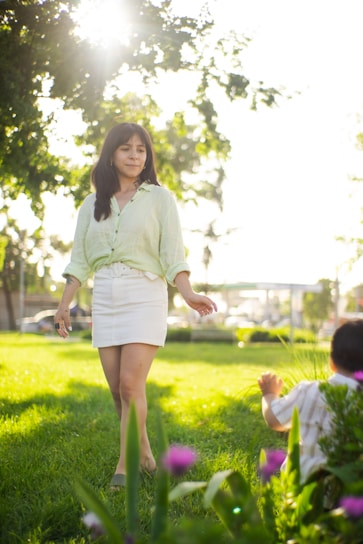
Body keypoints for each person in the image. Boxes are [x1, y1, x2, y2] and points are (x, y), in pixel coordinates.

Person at [53, 122, 217, 488]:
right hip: (106, 295)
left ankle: (124, 468)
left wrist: (188, 292)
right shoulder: (91, 204)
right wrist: (64, 304)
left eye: (140, 149)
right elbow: (79, 260)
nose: (134, 155)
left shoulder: (160, 199)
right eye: (126, 148)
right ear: (111, 154)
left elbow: (173, 253)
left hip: (145, 294)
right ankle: (144, 456)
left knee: (130, 385)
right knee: (117, 391)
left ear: (147, 156)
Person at [257, 319, 363, 484]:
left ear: (332, 362)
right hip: (349, 494)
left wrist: (269, 394)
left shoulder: (307, 391)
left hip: (301, 488)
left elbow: (274, 420)